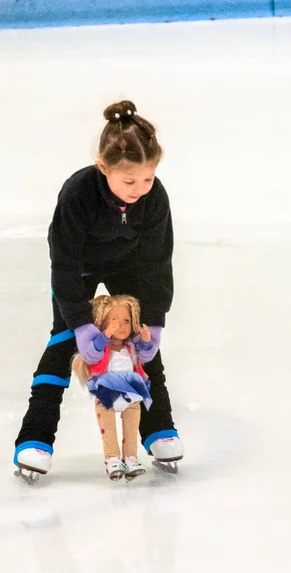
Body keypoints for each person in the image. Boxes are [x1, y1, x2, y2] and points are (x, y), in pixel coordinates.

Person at [14, 99, 184, 476]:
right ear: (103, 167)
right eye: (129, 181)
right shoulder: (77, 194)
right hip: (79, 269)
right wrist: (81, 322)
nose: (139, 188)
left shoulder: (154, 199)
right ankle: (34, 437)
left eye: (148, 178)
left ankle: (159, 428)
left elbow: (158, 262)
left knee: (138, 341)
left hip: (130, 264)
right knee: (63, 341)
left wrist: (153, 321)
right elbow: (64, 262)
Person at [72, 294, 155, 481]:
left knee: (131, 426)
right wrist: (106, 335)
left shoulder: (131, 347)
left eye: (126, 320)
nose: (122, 326)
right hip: (107, 393)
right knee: (108, 429)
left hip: (130, 393)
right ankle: (112, 458)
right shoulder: (101, 348)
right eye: (114, 321)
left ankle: (131, 457)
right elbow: (92, 352)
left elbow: (144, 354)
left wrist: (146, 340)